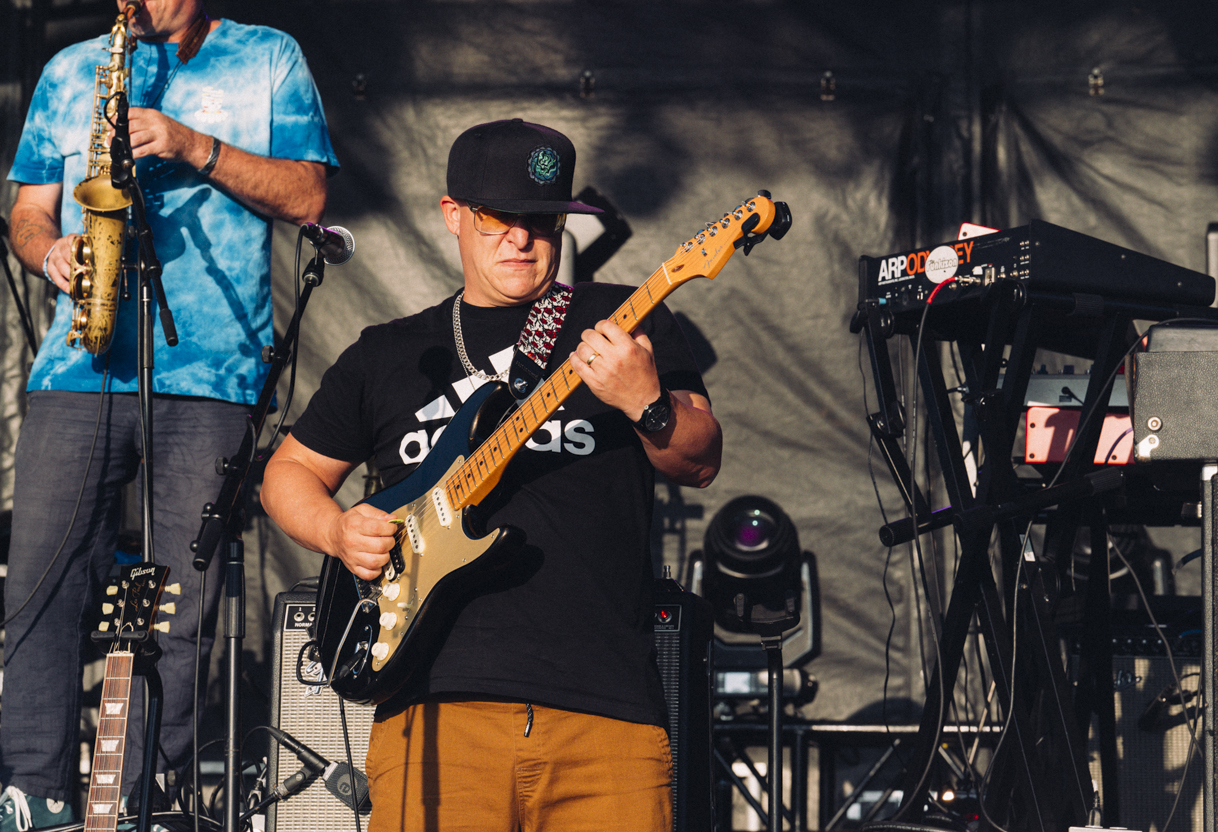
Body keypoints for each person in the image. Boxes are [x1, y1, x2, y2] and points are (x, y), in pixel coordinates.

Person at [259, 118, 722, 832]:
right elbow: (287, 473)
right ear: (453, 215)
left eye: (540, 220)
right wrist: (336, 530)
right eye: (497, 217)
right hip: (433, 711)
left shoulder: (618, 322)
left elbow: (700, 458)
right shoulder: (390, 353)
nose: (521, 238)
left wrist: (647, 402)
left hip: (606, 710)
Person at [1, 0, 337, 827]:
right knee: (39, 581)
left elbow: (309, 196)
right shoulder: (71, 69)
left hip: (215, 371)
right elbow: (29, 212)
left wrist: (193, 145)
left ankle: (143, 794)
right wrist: (49, 252)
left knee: (183, 601)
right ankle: (34, 791)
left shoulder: (269, 57)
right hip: (79, 365)